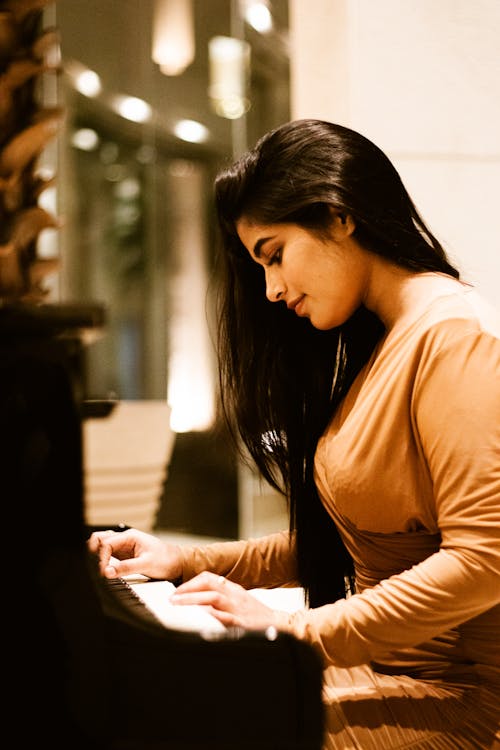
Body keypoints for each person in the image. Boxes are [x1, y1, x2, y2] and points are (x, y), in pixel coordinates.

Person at [89, 119, 500, 749]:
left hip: (462, 706)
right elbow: (348, 542)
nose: (272, 289)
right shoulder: (385, 340)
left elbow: (483, 561)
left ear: (337, 216)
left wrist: (295, 632)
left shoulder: (448, 339)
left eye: (274, 254)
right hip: (388, 675)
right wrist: (185, 559)